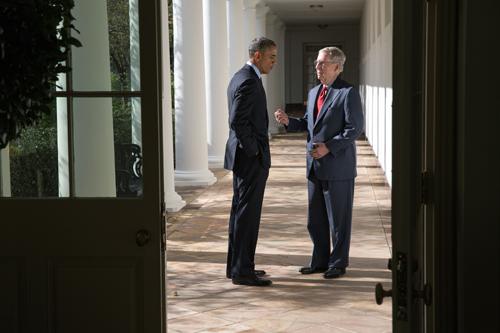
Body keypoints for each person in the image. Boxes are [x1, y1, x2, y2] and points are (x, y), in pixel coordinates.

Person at [274, 47, 364, 279]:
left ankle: (338, 262)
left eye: (322, 63)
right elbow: (308, 123)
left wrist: (329, 147)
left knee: (338, 221)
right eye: (316, 63)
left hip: (338, 166)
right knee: (316, 220)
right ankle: (320, 261)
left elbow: (354, 128)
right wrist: (289, 122)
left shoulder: (348, 92)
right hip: (314, 166)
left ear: (336, 66)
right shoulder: (314, 92)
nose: (317, 67)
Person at [224, 37, 277, 286]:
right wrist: (254, 150)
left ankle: (237, 267)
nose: (274, 61)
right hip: (249, 159)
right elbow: (237, 120)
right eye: (271, 57)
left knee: (241, 212)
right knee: (247, 214)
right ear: (257, 55)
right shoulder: (247, 80)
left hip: (244, 158)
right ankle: (242, 271)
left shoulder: (243, 76)